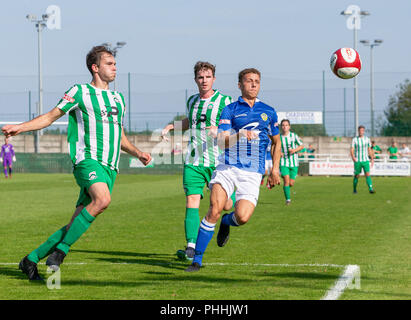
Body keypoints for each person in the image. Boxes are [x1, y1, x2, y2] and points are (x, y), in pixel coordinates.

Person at [2, 45, 152, 281]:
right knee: (103, 199)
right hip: (87, 160)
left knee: (75, 223)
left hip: (110, 167)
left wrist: (138, 152)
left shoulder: (118, 98)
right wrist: (20, 127)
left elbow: (119, 135)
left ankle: (30, 260)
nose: (115, 68)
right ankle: (60, 254)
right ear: (95, 67)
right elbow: (51, 116)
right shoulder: (79, 91)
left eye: (115, 64)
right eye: (109, 64)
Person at [185, 68, 282, 272]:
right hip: (227, 166)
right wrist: (240, 134)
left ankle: (227, 222)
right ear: (240, 85)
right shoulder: (230, 109)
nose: (253, 84)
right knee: (215, 208)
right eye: (249, 81)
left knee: (243, 217)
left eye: (257, 81)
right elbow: (221, 140)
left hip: (253, 172)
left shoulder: (269, 112)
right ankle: (197, 260)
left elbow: (276, 143)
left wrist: (274, 170)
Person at [161, 61, 234, 261]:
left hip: (217, 161)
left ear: (214, 79)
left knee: (225, 206)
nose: (204, 81)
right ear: (195, 79)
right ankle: (191, 247)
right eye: (200, 77)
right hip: (193, 160)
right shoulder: (192, 101)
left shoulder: (225, 101)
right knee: (191, 201)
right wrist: (171, 126)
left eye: (208, 77)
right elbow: (190, 121)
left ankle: (227, 220)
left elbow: (233, 127)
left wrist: (218, 130)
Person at [279, 119, 304, 205]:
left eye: (286, 125)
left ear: (289, 127)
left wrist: (294, 150)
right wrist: (279, 152)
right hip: (283, 162)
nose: (284, 127)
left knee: (291, 183)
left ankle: (287, 189)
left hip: (294, 162)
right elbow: (275, 147)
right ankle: (288, 200)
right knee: (286, 180)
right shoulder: (279, 137)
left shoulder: (294, 136)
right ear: (281, 127)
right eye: (283, 125)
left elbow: (301, 145)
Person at [350, 125, 375, 194]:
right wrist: (353, 157)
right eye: (360, 130)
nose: (361, 132)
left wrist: (372, 158)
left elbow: (369, 149)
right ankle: (354, 189)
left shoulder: (367, 139)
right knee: (357, 175)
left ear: (364, 131)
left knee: (367, 174)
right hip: (358, 160)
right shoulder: (354, 139)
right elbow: (352, 149)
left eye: (362, 130)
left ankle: (371, 188)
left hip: (365, 160)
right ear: (358, 131)